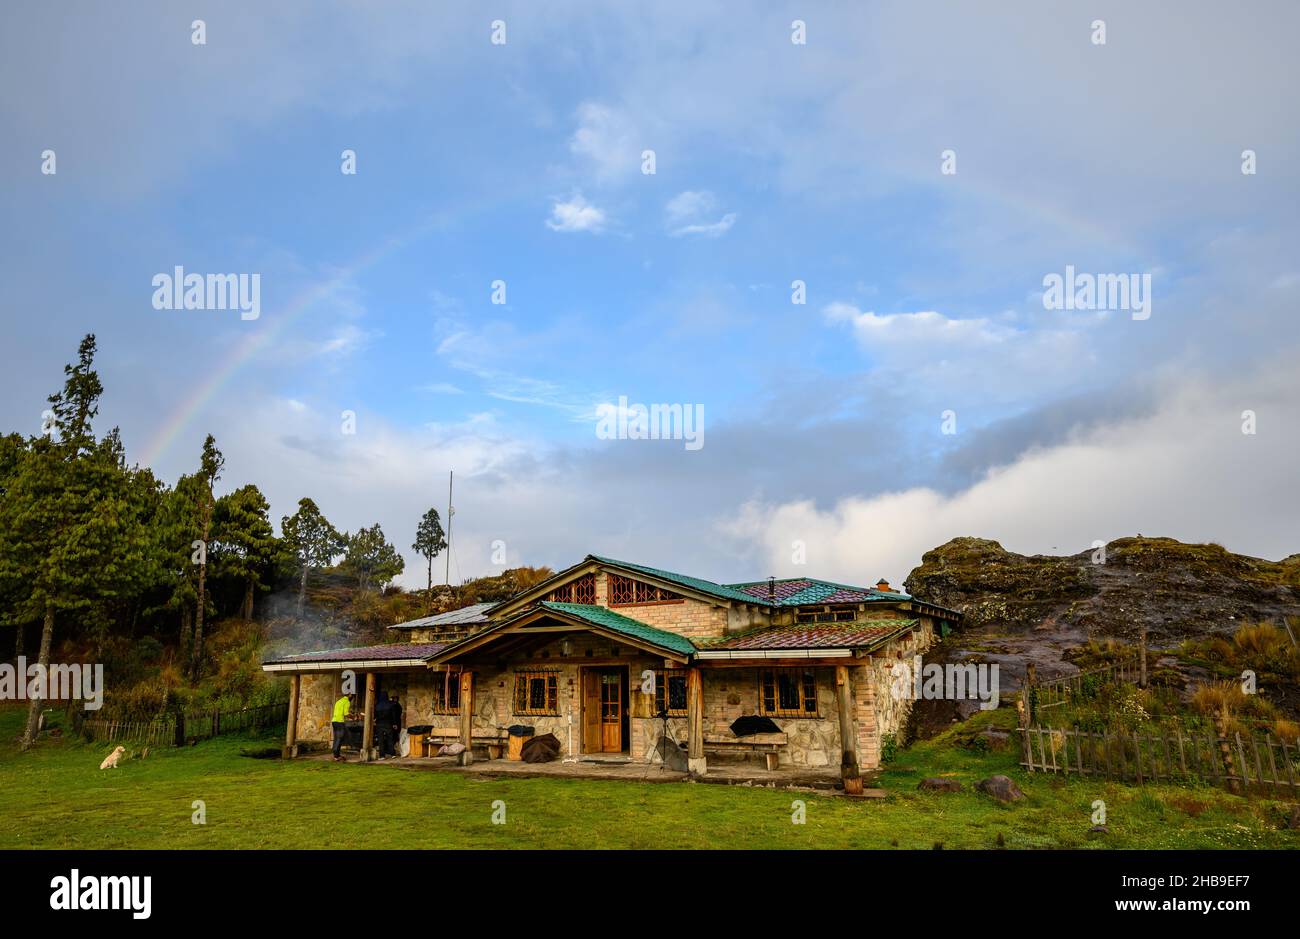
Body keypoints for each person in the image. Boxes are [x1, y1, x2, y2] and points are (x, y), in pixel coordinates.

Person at [331, 691, 354, 762]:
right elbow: (346, 713)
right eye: (352, 696)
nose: (352, 697)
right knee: (339, 738)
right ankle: (336, 756)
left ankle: (336, 754)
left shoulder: (339, 701)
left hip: (334, 721)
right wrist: (353, 717)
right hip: (339, 722)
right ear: (349, 695)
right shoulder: (347, 702)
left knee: (336, 738)